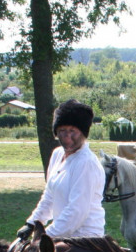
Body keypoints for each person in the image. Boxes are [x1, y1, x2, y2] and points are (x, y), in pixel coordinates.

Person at [17, 100, 106, 240]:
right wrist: (32, 223)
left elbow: (76, 211)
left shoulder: (86, 163)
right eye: (62, 131)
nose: (67, 137)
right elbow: (49, 196)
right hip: (61, 235)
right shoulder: (57, 154)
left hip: (85, 238)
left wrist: (46, 236)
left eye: (72, 131)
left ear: (83, 133)